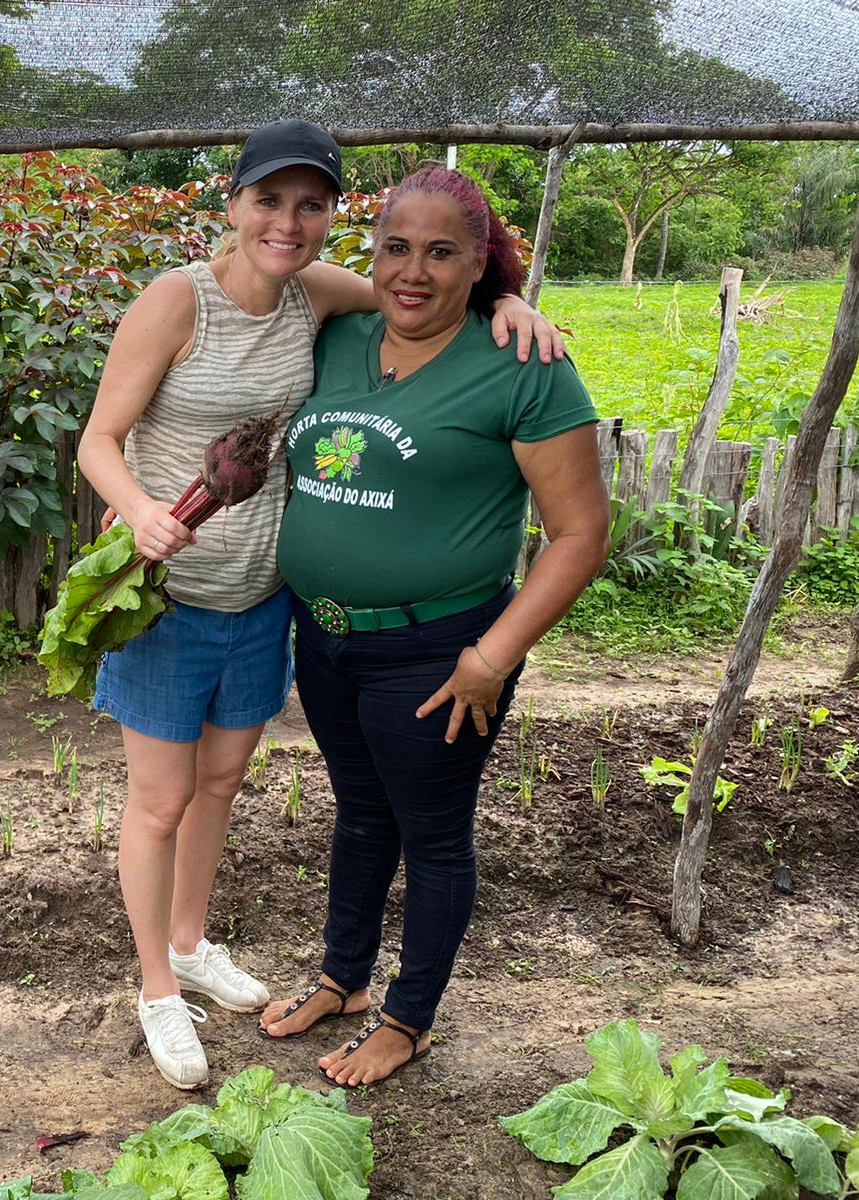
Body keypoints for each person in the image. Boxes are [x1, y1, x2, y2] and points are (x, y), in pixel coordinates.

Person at [76, 121, 565, 1091]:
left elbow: (436, 286)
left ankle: (191, 947)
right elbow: (100, 436)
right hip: (171, 596)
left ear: (329, 217)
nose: (287, 222)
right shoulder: (179, 301)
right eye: (268, 199)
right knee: (162, 799)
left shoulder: (320, 297)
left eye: (310, 205)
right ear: (231, 202)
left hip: (265, 604)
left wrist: (519, 306)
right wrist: (136, 515)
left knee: (219, 789)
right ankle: (156, 992)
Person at [258, 165, 609, 1087]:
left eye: (443, 253)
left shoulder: (524, 367)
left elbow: (579, 535)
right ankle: (343, 978)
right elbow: (254, 270)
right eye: (397, 247)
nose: (414, 272)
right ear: (372, 252)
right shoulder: (340, 337)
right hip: (326, 637)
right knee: (361, 811)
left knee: (434, 830)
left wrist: (493, 657)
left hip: (439, 651)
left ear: (480, 263)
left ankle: (408, 1018)